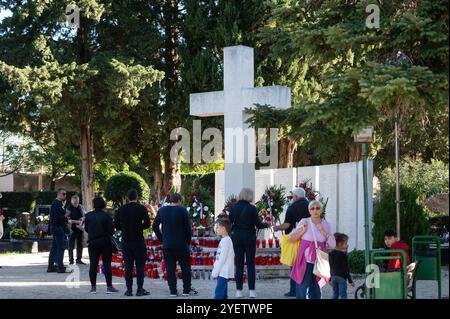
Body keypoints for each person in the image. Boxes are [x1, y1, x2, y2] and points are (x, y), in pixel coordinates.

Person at [153, 193, 197, 297]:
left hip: (167, 244)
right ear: (179, 201)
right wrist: (187, 241)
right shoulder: (182, 210)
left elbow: (155, 226)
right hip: (181, 243)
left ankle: (173, 291)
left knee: (170, 268)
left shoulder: (162, 210)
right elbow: (187, 229)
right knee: (185, 267)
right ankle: (186, 290)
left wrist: (161, 238)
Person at [289, 200, 336, 299]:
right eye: (312, 208)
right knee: (301, 286)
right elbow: (291, 239)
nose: (315, 211)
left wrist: (322, 230)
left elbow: (333, 245)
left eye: (318, 208)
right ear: (309, 210)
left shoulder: (326, 224)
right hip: (304, 260)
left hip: (319, 260)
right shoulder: (304, 221)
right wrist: (302, 231)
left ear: (321, 210)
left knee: (316, 289)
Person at [229, 188, 270, 299]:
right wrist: (267, 224)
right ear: (249, 196)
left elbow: (230, 223)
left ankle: (238, 291)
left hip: (237, 237)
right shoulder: (252, 208)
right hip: (249, 237)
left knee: (239, 264)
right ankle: (252, 291)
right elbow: (258, 224)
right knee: (250, 264)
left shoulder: (233, 207)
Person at [273, 187, 310, 297]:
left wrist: (277, 228)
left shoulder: (292, 207)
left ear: (296, 197)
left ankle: (294, 290)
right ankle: (307, 288)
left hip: (295, 239)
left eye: (293, 196)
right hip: (309, 239)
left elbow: (287, 225)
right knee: (306, 264)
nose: (292, 198)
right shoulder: (311, 206)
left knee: (294, 264)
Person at [115, 189, 151, 297]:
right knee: (140, 266)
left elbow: (116, 225)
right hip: (138, 240)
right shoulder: (141, 208)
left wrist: (125, 228)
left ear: (127, 198)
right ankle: (140, 289)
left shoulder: (121, 209)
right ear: (137, 197)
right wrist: (139, 226)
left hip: (126, 241)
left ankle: (129, 290)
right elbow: (148, 224)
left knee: (128, 266)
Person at [84, 197, 118, 294]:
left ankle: (93, 288)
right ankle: (109, 287)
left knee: (93, 265)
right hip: (105, 242)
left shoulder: (88, 215)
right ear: (103, 204)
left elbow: (86, 229)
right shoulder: (107, 216)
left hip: (92, 242)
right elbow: (111, 231)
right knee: (107, 264)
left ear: (94, 204)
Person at [47, 188, 72, 273]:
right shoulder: (57, 204)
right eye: (63, 194)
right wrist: (66, 215)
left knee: (54, 247)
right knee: (61, 247)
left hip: (55, 227)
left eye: (65, 194)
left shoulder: (57, 203)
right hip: (58, 228)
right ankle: (60, 267)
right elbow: (58, 218)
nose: (65, 195)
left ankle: (51, 266)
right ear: (58, 194)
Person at [212, 218, 235, 299]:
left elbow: (222, 258)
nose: (216, 229)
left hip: (223, 271)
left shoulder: (226, 241)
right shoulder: (225, 240)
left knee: (218, 293)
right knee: (223, 293)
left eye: (217, 227)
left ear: (223, 228)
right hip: (222, 270)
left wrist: (215, 271)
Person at [329, 232, 354, 299]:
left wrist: (330, 279)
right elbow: (346, 269)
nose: (347, 245)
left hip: (334, 277)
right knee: (343, 295)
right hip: (341, 278)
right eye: (346, 243)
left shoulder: (331, 254)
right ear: (340, 244)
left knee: (335, 294)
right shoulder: (343, 255)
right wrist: (350, 281)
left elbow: (330, 267)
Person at [67, 195, 86, 265]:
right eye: (74, 202)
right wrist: (76, 222)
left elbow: (84, 215)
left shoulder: (81, 207)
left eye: (77, 202)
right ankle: (71, 260)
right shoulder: (69, 208)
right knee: (71, 246)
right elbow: (68, 220)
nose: (76, 203)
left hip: (80, 229)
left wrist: (83, 219)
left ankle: (79, 259)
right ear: (71, 201)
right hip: (72, 230)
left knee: (80, 245)